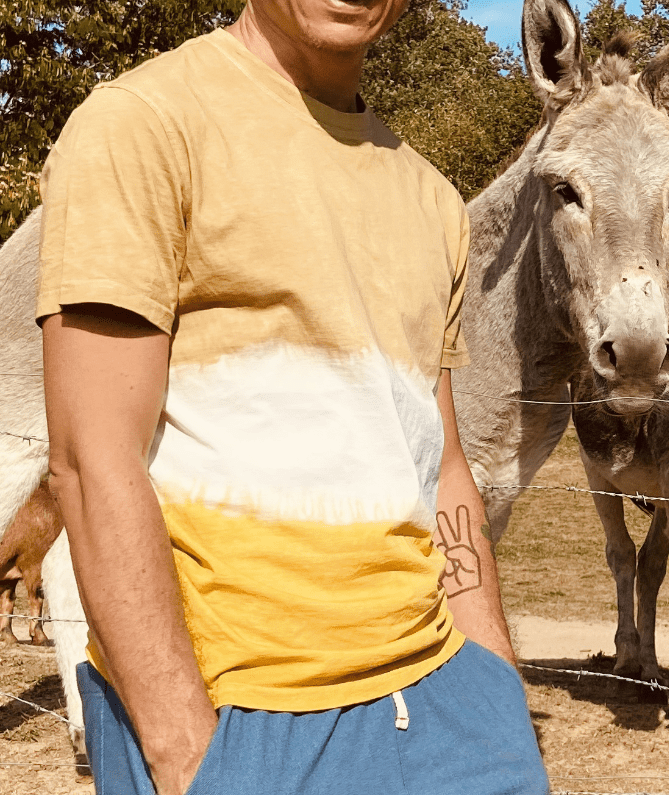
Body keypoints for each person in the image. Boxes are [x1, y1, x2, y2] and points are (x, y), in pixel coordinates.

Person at [37, 1, 549, 793]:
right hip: (236, 720)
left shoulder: (431, 198)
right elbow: (90, 460)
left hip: (451, 702)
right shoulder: (140, 125)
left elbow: (440, 460)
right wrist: (187, 757)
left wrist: (495, 691)